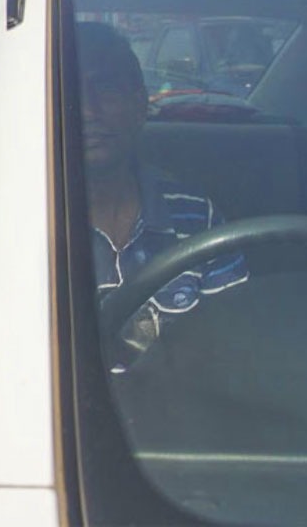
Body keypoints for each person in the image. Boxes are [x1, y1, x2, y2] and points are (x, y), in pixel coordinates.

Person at [77, 21, 247, 367]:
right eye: (69, 95)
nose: (88, 111)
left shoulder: (198, 217)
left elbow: (237, 350)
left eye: (106, 91)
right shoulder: (24, 225)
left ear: (140, 105)